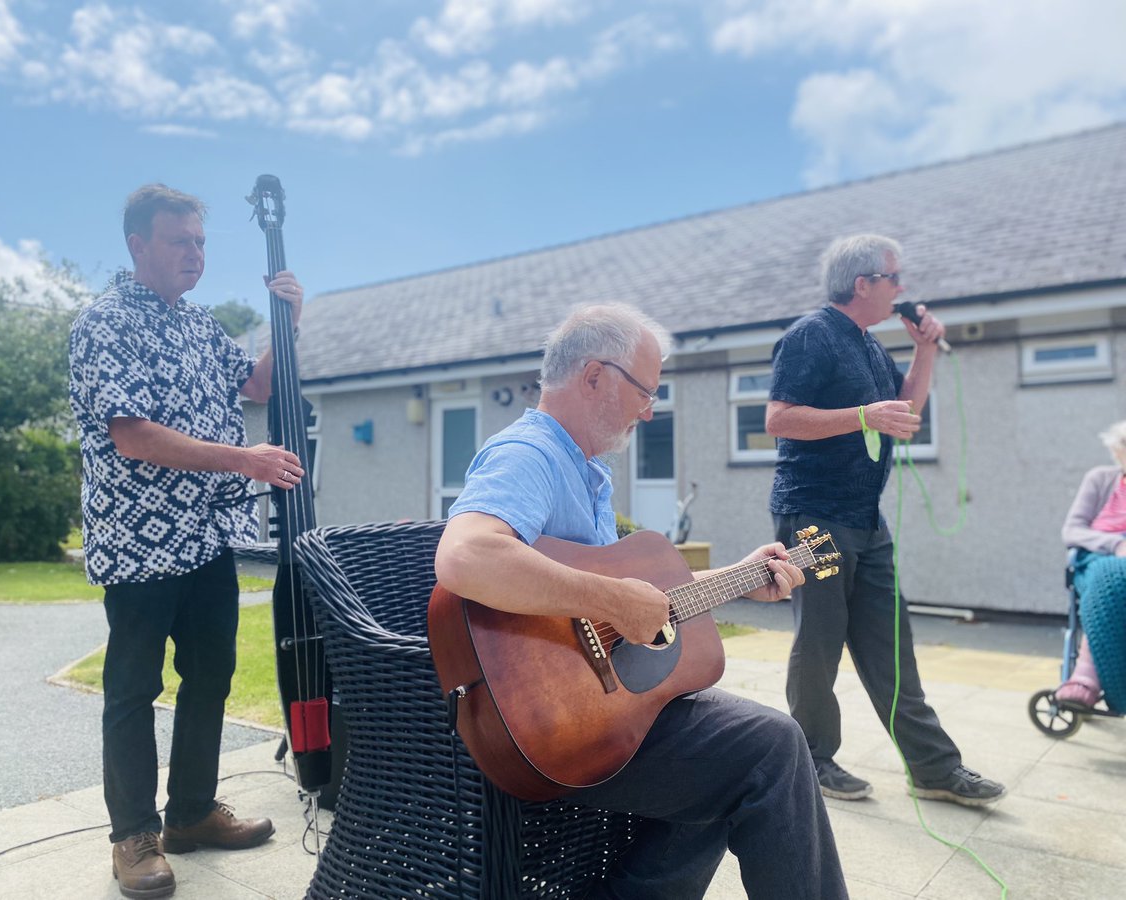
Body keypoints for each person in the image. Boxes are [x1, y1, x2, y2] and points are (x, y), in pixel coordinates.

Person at [435, 303, 849, 899]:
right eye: (646, 391)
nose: (650, 410)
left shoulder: (586, 471)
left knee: (725, 760)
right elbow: (465, 556)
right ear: (596, 375)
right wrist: (614, 598)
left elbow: (623, 612)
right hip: (550, 730)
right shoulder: (529, 453)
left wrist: (741, 578)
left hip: (594, 712)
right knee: (771, 748)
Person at [69, 184, 306, 899]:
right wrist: (247, 459)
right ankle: (133, 837)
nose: (195, 255)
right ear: (138, 245)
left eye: (201, 242)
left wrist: (287, 320)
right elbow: (131, 435)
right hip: (140, 543)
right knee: (133, 689)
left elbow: (261, 384)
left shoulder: (200, 326)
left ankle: (193, 813)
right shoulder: (104, 324)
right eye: (180, 242)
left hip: (208, 535)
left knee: (212, 676)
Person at [766, 234, 1005, 807]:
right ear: (863, 284)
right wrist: (861, 414)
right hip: (813, 516)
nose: (903, 289)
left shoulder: (871, 348)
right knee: (820, 644)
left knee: (890, 645)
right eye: (895, 278)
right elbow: (778, 418)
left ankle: (932, 768)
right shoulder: (810, 336)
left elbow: (905, 413)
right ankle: (814, 760)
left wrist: (923, 350)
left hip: (866, 519)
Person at [1055, 420, 1126, 711]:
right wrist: (1117, 545)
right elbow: (1072, 530)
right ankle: (1087, 675)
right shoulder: (1100, 478)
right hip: (1097, 558)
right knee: (1112, 578)